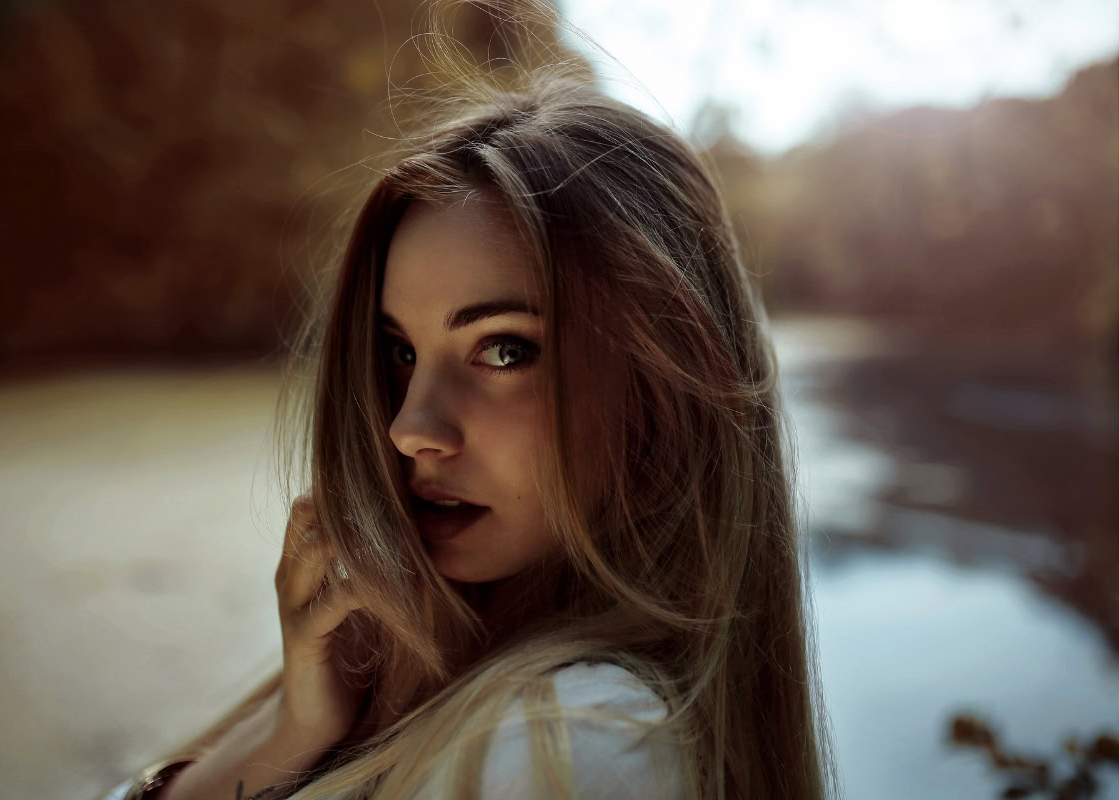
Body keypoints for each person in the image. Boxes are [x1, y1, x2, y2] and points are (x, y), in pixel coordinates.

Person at [101, 3, 839, 798]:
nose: (411, 427)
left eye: (504, 349)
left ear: (665, 389)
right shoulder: (420, 680)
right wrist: (295, 727)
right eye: (399, 353)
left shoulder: (573, 742)